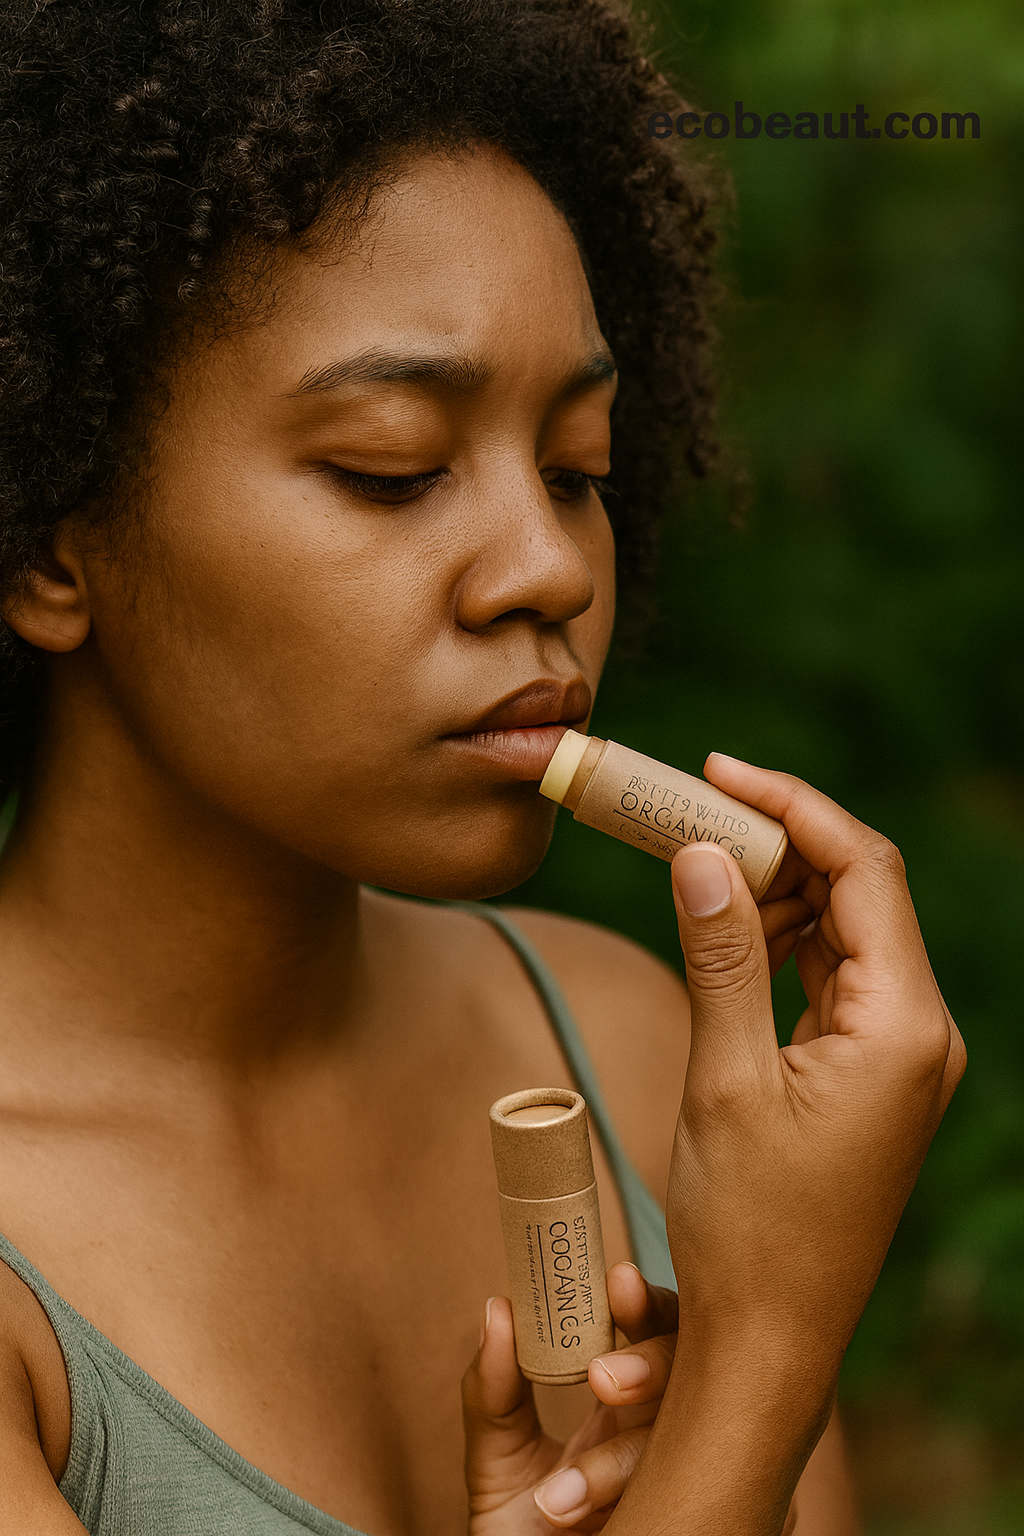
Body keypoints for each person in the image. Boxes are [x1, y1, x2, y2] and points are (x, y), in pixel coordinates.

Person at [0, 2, 963, 1532]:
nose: (549, 568)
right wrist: (764, 1348)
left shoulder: (633, 1052)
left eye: (577, 469)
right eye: (390, 466)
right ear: (51, 542)